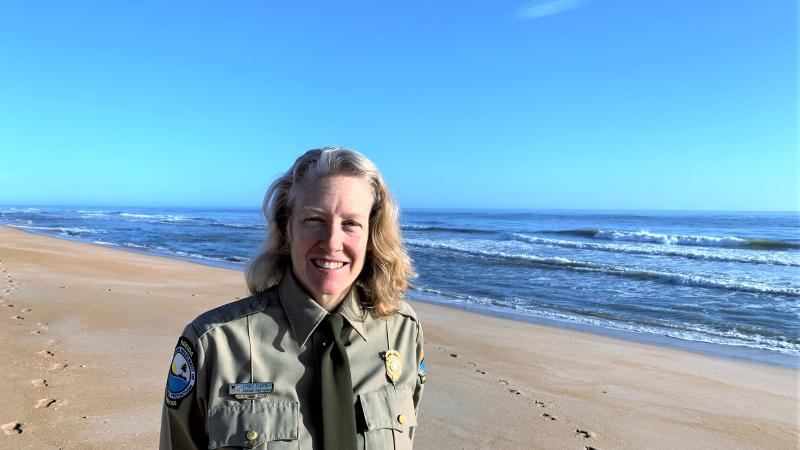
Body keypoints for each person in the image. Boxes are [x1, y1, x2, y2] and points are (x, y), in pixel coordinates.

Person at [160, 148, 425, 450]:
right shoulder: (213, 344)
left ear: (372, 234)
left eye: (351, 223)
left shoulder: (402, 332)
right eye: (314, 219)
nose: (332, 242)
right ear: (287, 228)